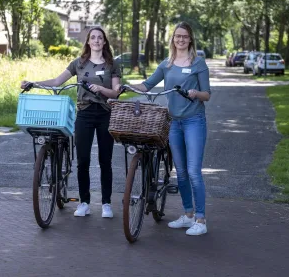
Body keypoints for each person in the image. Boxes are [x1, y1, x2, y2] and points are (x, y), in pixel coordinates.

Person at [116, 21, 211, 235]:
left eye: (184, 36)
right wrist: (128, 86)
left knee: (194, 171)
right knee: (182, 173)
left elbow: (207, 94)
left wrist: (196, 94)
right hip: (174, 122)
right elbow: (147, 85)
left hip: (194, 120)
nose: (180, 39)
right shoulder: (167, 63)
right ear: (173, 39)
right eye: (177, 36)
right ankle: (188, 215)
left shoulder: (198, 63)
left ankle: (201, 220)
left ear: (190, 39)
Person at [21, 27, 121, 218]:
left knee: (105, 160)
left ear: (105, 42)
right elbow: (58, 81)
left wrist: (101, 88)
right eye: (93, 38)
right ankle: (84, 202)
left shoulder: (112, 64)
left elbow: (116, 92)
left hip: (105, 113)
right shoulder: (79, 63)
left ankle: (106, 203)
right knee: (83, 160)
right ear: (88, 42)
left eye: (100, 38)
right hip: (84, 113)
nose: (97, 40)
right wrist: (33, 83)